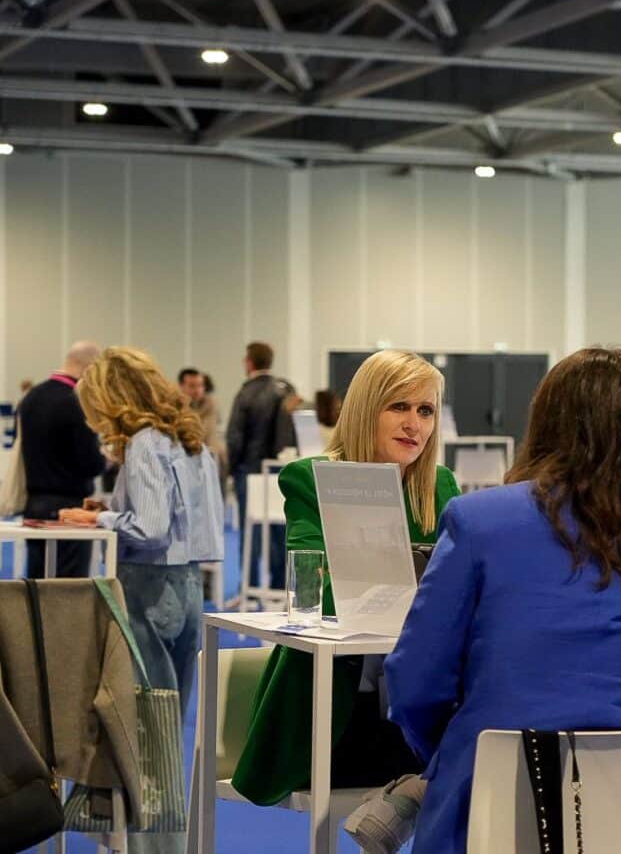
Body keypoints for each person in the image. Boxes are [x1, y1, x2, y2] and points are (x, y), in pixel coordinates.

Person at [384, 347, 621, 854]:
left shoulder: (478, 522)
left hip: (498, 797)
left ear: (544, 421)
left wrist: (454, 754)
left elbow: (416, 678)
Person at [231, 351, 460, 840]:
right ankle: (414, 792)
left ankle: (413, 794)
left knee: (496, 748)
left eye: (425, 410)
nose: (414, 424)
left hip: (420, 711)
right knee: (467, 765)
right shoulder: (311, 477)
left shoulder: (439, 486)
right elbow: (317, 591)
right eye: (399, 407)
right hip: (337, 715)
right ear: (366, 408)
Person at [56, 347, 225, 854]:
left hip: (147, 590)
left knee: (146, 737)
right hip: (187, 587)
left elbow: (150, 529)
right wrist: (112, 505)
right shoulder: (187, 438)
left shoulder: (145, 443)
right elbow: (182, 519)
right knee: (164, 735)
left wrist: (100, 518)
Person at [19, 341, 106, 578]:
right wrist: (107, 459)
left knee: (35, 586)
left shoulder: (32, 397)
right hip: (70, 510)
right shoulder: (77, 401)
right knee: (68, 589)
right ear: (91, 369)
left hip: (34, 505)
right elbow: (90, 463)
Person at [226, 341, 295, 588]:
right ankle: (278, 586)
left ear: (249, 362)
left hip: (250, 471)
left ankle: (250, 586)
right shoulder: (285, 390)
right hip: (281, 471)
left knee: (250, 532)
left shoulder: (245, 394)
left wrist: (232, 468)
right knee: (280, 529)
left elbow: (235, 436)